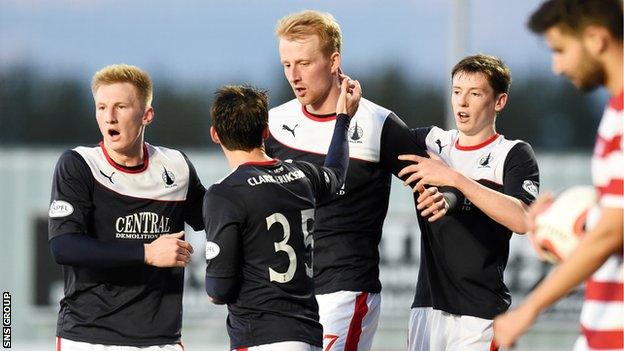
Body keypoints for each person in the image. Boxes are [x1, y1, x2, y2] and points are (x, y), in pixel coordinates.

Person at [265, 10, 452, 351]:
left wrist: (440, 195)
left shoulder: (379, 123)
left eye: (304, 63)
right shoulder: (274, 123)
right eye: (286, 64)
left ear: (333, 60)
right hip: (284, 295)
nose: (294, 75)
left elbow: (433, 181)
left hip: (345, 290)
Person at [493, 1, 623, 350]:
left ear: (596, 39)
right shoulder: (614, 113)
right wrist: (561, 220)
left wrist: (527, 310)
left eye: (561, 50)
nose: (557, 66)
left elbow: (614, 230)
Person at [48, 64, 205, 350]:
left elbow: (217, 218)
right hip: (88, 336)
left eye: (120, 106)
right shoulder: (80, 164)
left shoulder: (176, 167)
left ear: (146, 115)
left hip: (161, 340)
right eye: (101, 107)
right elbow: (64, 246)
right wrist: (146, 253)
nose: (109, 117)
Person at [203, 80, 360, 350]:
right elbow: (335, 174)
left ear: (215, 134)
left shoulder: (225, 193)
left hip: (260, 337)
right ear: (265, 131)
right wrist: (343, 119)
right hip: (308, 335)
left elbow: (219, 289)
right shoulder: (302, 175)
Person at [398, 54, 540, 351]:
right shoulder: (431, 142)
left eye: (474, 94)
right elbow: (375, 139)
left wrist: (455, 179)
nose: (462, 102)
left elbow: (524, 219)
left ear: (499, 101)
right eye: (456, 91)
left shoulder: (513, 153)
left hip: (480, 315)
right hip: (426, 308)